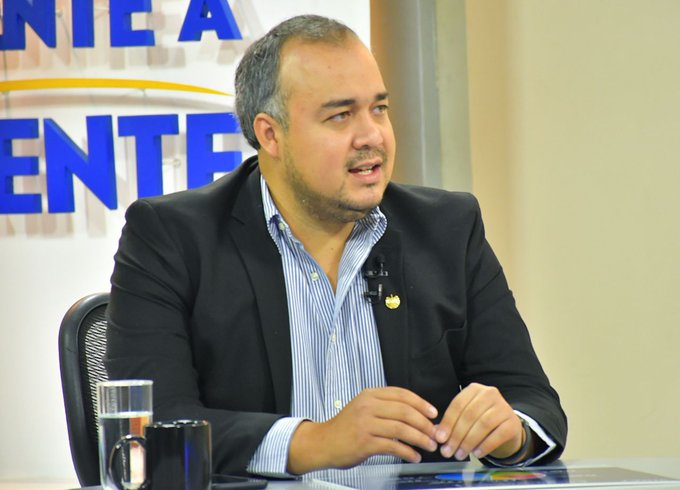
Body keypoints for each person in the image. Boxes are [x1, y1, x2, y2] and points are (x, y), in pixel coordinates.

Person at [106, 14, 567, 477]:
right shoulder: (171, 239)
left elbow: (534, 404)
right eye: (340, 115)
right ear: (270, 134)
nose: (372, 136)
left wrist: (510, 432)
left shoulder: (447, 229)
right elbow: (152, 426)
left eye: (379, 109)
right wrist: (312, 442)